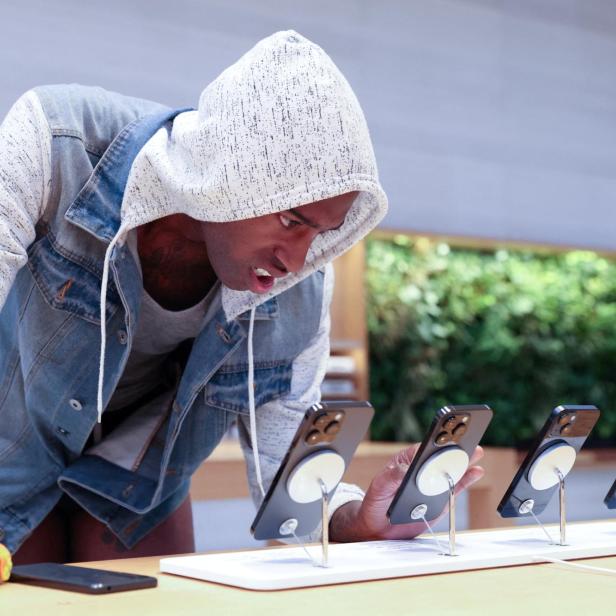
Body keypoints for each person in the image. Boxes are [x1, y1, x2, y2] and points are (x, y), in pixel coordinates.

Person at [0, 30, 484, 563]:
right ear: (232, 177)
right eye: (291, 219)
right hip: (11, 454)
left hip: (137, 482)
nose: (296, 261)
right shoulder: (56, 144)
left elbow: (289, 486)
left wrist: (364, 519)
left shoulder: (301, 292)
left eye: (320, 232)